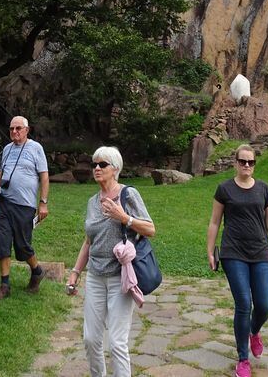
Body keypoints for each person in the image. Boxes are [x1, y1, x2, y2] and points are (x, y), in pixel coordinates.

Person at [66, 146, 154, 377]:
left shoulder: (128, 195)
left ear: (115, 169)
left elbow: (150, 228)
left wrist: (123, 217)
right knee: (90, 339)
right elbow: (88, 241)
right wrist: (75, 272)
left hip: (120, 278)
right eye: (95, 164)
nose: (96, 168)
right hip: (95, 276)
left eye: (102, 164)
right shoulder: (92, 202)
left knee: (117, 343)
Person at [206, 144, 268, 377]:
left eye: (251, 162)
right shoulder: (224, 189)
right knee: (243, 303)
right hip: (233, 253)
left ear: (255, 164)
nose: (247, 166)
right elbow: (214, 222)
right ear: (236, 163)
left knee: (264, 305)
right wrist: (210, 251)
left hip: (260, 253)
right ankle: (243, 359)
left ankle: (254, 331)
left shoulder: (264, 189)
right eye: (243, 162)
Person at [0, 115, 49, 299]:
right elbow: (1, 174)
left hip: (24, 205)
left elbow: (44, 176)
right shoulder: (6, 149)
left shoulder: (36, 148)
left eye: (18, 128)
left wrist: (43, 203)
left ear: (26, 130)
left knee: (22, 246)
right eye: (12, 129)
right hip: (3, 203)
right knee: (3, 242)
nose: (14, 132)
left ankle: (37, 271)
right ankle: (4, 286)